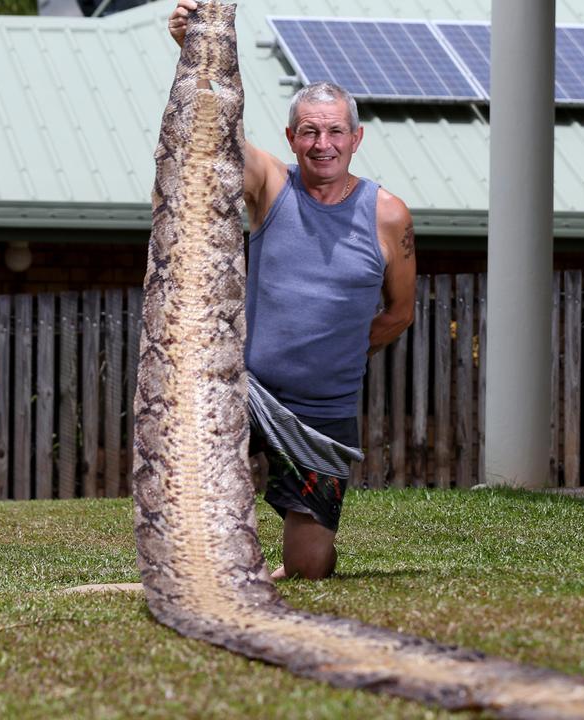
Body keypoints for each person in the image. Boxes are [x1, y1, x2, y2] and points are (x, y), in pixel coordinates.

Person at [169, 0, 416, 580]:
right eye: (309, 131)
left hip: (322, 415)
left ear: (356, 139)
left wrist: (343, 354)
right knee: (187, 480)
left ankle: (293, 549)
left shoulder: (388, 216)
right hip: (245, 393)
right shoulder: (272, 186)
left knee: (309, 570)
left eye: (334, 132)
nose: (322, 143)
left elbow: (400, 313)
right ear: (292, 136)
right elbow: (215, 128)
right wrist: (193, 49)